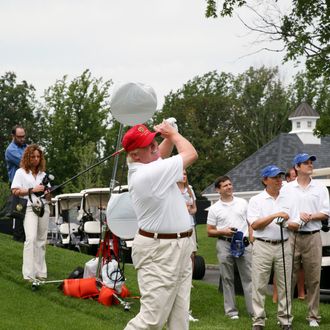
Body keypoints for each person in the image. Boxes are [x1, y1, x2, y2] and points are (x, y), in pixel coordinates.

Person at [122, 121, 198, 330]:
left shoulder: (148, 165)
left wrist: (166, 136)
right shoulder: (146, 175)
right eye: (148, 144)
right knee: (152, 320)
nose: (154, 145)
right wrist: (173, 134)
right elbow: (191, 154)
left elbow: (159, 154)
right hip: (160, 250)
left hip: (178, 245)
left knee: (179, 318)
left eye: (153, 140)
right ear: (135, 155)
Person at [247, 165, 301, 330]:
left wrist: (287, 223)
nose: (279, 180)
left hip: (284, 244)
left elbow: (297, 223)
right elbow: (255, 225)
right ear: (265, 180)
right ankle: (258, 321)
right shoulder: (256, 200)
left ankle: (285, 320)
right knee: (259, 284)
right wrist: (275, 216)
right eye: (275, 177)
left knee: (285, 283)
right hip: (262, 245)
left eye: (280, 176)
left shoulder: (289, 199)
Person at [281, 153, 330, 328]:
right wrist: (294, 221)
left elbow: (326, 212)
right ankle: (285, 317)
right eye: (306, 163)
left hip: (313, 236)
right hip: (291, 236)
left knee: (314, 278)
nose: (310, 165)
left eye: (311, 163)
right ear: (297, 167)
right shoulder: (286, 189)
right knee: (288, 278)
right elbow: (282, 213)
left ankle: (313, 317)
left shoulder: (320, 188)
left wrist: (309, 216)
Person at [206, 175, 254, 320]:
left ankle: (254, 311)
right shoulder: (214, 208)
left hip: (243, 243)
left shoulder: (242, 202)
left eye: (230, 184)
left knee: (249, 278)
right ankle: (231, 311)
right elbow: (209, 231)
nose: (229, 187)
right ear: (218, 190)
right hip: (224, 244)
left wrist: (251, 238)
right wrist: (223, 231)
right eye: (225, 185)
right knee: (227, 278)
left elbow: (250, 222)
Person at [11, 144, 51, 281]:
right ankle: (28, 274)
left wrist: (47, 192)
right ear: (28, 157)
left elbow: (48, 197)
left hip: (43, 208)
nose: (36, 159)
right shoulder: (20, 172)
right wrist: (32, 190)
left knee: (41, 240)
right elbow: (15, 191)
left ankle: (41, 273)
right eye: (33, 156)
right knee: (31, 239)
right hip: (28, 208)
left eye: (38, 156)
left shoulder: (43, 175)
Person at [5, 125, 27, 241]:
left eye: (23, 136)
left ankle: (25, 239)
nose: (22, 139)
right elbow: (25, 163)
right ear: (13, 136)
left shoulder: (26, 147)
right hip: (17, 187)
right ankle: (18, 239)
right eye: (19, 137)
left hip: (28, 185)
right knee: (18, 213)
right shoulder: (11, 150)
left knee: (28, 213)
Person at [177, 170, 198, 264]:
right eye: (182, 174)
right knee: (179, 253)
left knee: (192, 253)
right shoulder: (172, 190)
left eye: (185, 174)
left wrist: (189, 210)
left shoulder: (189, 190)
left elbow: (194, 209)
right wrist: (182, 208)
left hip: (190, 225)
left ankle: (190, 278)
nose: (184, 176)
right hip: (177, 226)